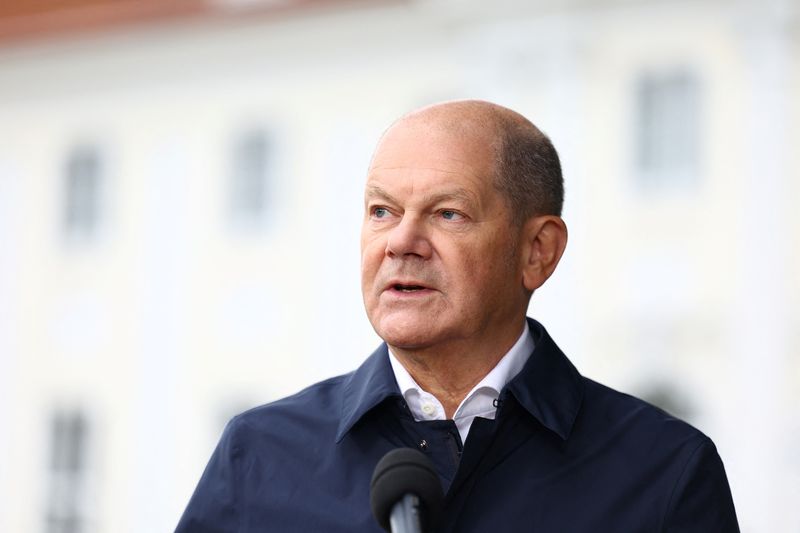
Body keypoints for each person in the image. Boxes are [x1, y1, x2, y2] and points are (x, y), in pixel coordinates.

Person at [175, 100, 739, 532]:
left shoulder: (665, 472)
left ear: (536, 251)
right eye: (381, 211)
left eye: (448, 213)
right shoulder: (260, 455)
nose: (401, 242)